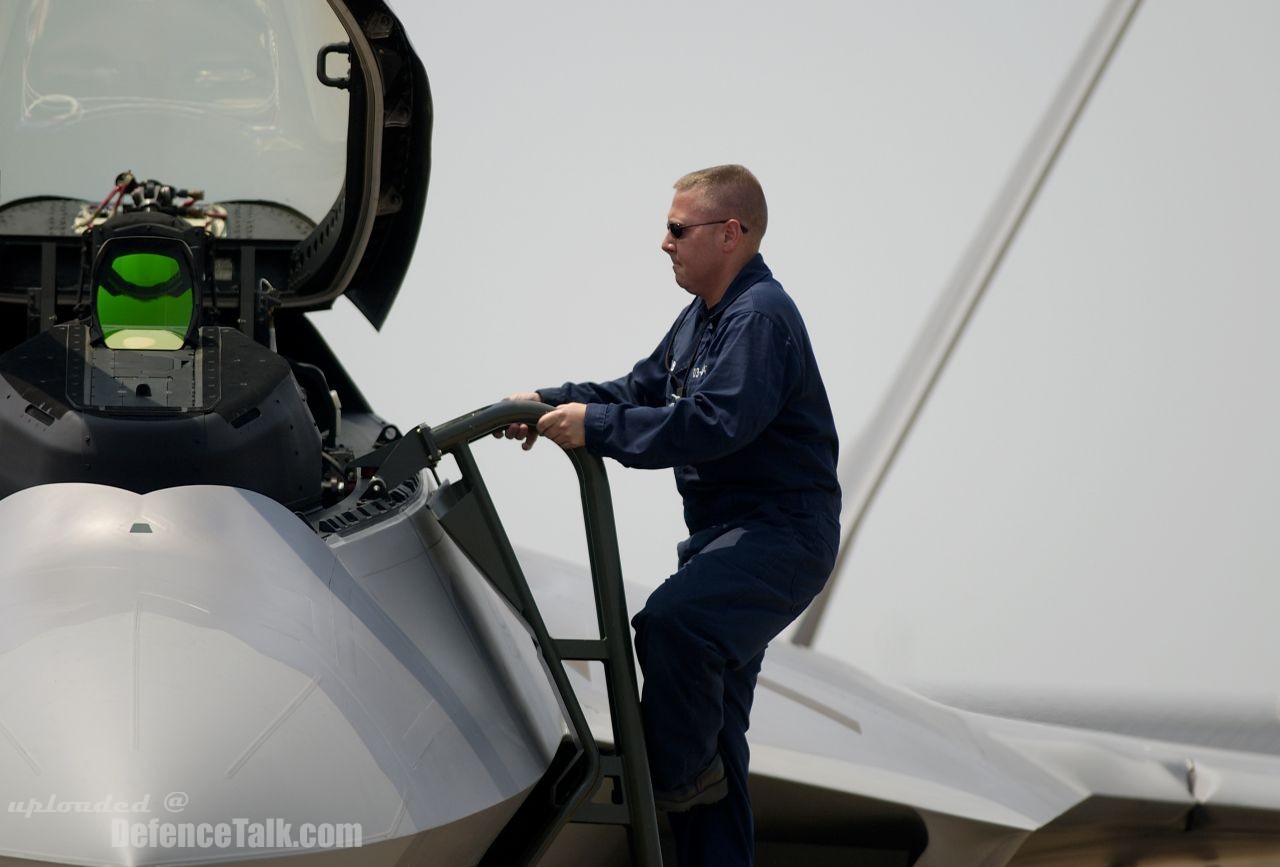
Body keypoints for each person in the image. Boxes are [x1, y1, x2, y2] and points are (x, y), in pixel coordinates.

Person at [499, 164, 840, 866]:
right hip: (728, 542)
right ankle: (701, 805)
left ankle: (672, 786)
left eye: (678, 229)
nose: (665, 242)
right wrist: (548, 400)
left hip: (779, 538)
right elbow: (639, 388)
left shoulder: (760, 317)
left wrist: (595, 429)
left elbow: (712, 424)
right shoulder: (701, 321)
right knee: (717, 744)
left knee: (672, 623)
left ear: (730, 233)